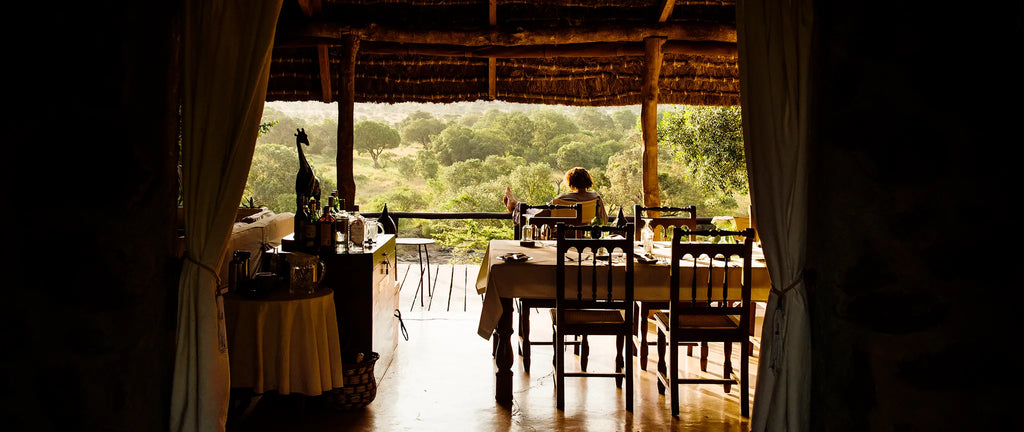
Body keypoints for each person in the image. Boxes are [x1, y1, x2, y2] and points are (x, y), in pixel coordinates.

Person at [503, 166, 608, 225]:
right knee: (534, 210)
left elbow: (538, 217)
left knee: (531, 211)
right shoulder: (596, 197)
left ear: (570, 183)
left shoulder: (562, 199)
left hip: (561, 235)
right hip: (583, 237)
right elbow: (604, 219)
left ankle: (516, 205)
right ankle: (516, 205)